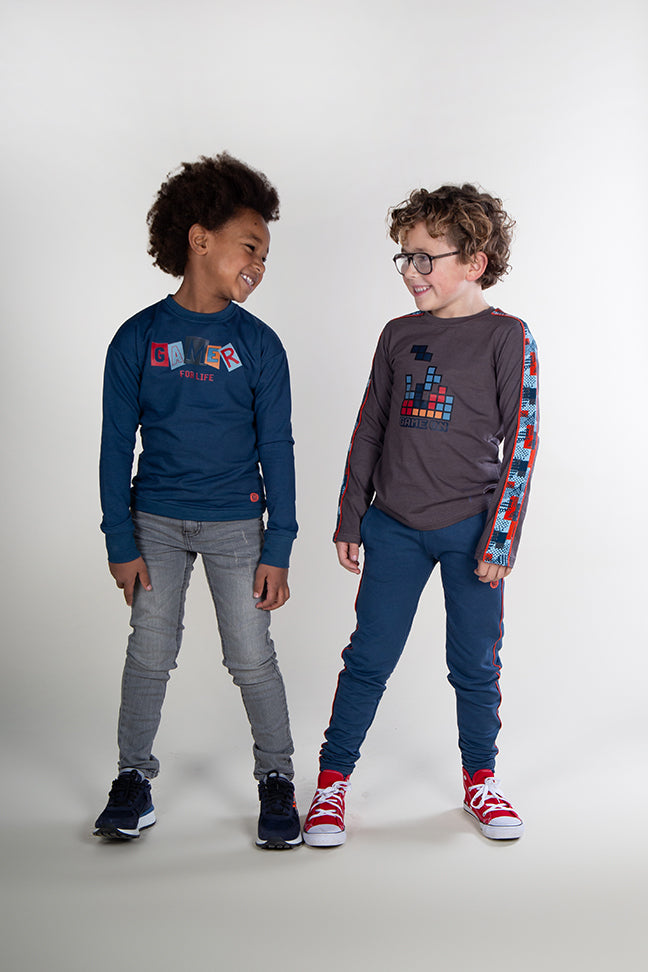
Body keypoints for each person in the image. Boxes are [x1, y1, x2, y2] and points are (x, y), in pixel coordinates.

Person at [303, 184, 539, 846]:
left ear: (475, 262)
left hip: (472, 531)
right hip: (395, 527)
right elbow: (370, 426)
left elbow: (522, 442)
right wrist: (351, 516)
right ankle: (331, 783)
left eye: (425, 258)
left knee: (475, 663)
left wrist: (501, 539)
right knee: (369, 657)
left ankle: (481, 779)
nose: (411, 271)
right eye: (404, 257)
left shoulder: (507, 337)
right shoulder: (398, 335)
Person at [94, 153, 301, 849]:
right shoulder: (137, 338)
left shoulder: (260, 346)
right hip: (153, 523)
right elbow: (114, 446)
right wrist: (119, 540)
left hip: (238, 526)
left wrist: (279, 544)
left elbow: (279, 448)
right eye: (250, 246)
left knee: (250, 657)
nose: (258, 265)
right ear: (200, 238)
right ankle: (132, 779)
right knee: (150, 653)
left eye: (265, 256)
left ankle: (277, 778)